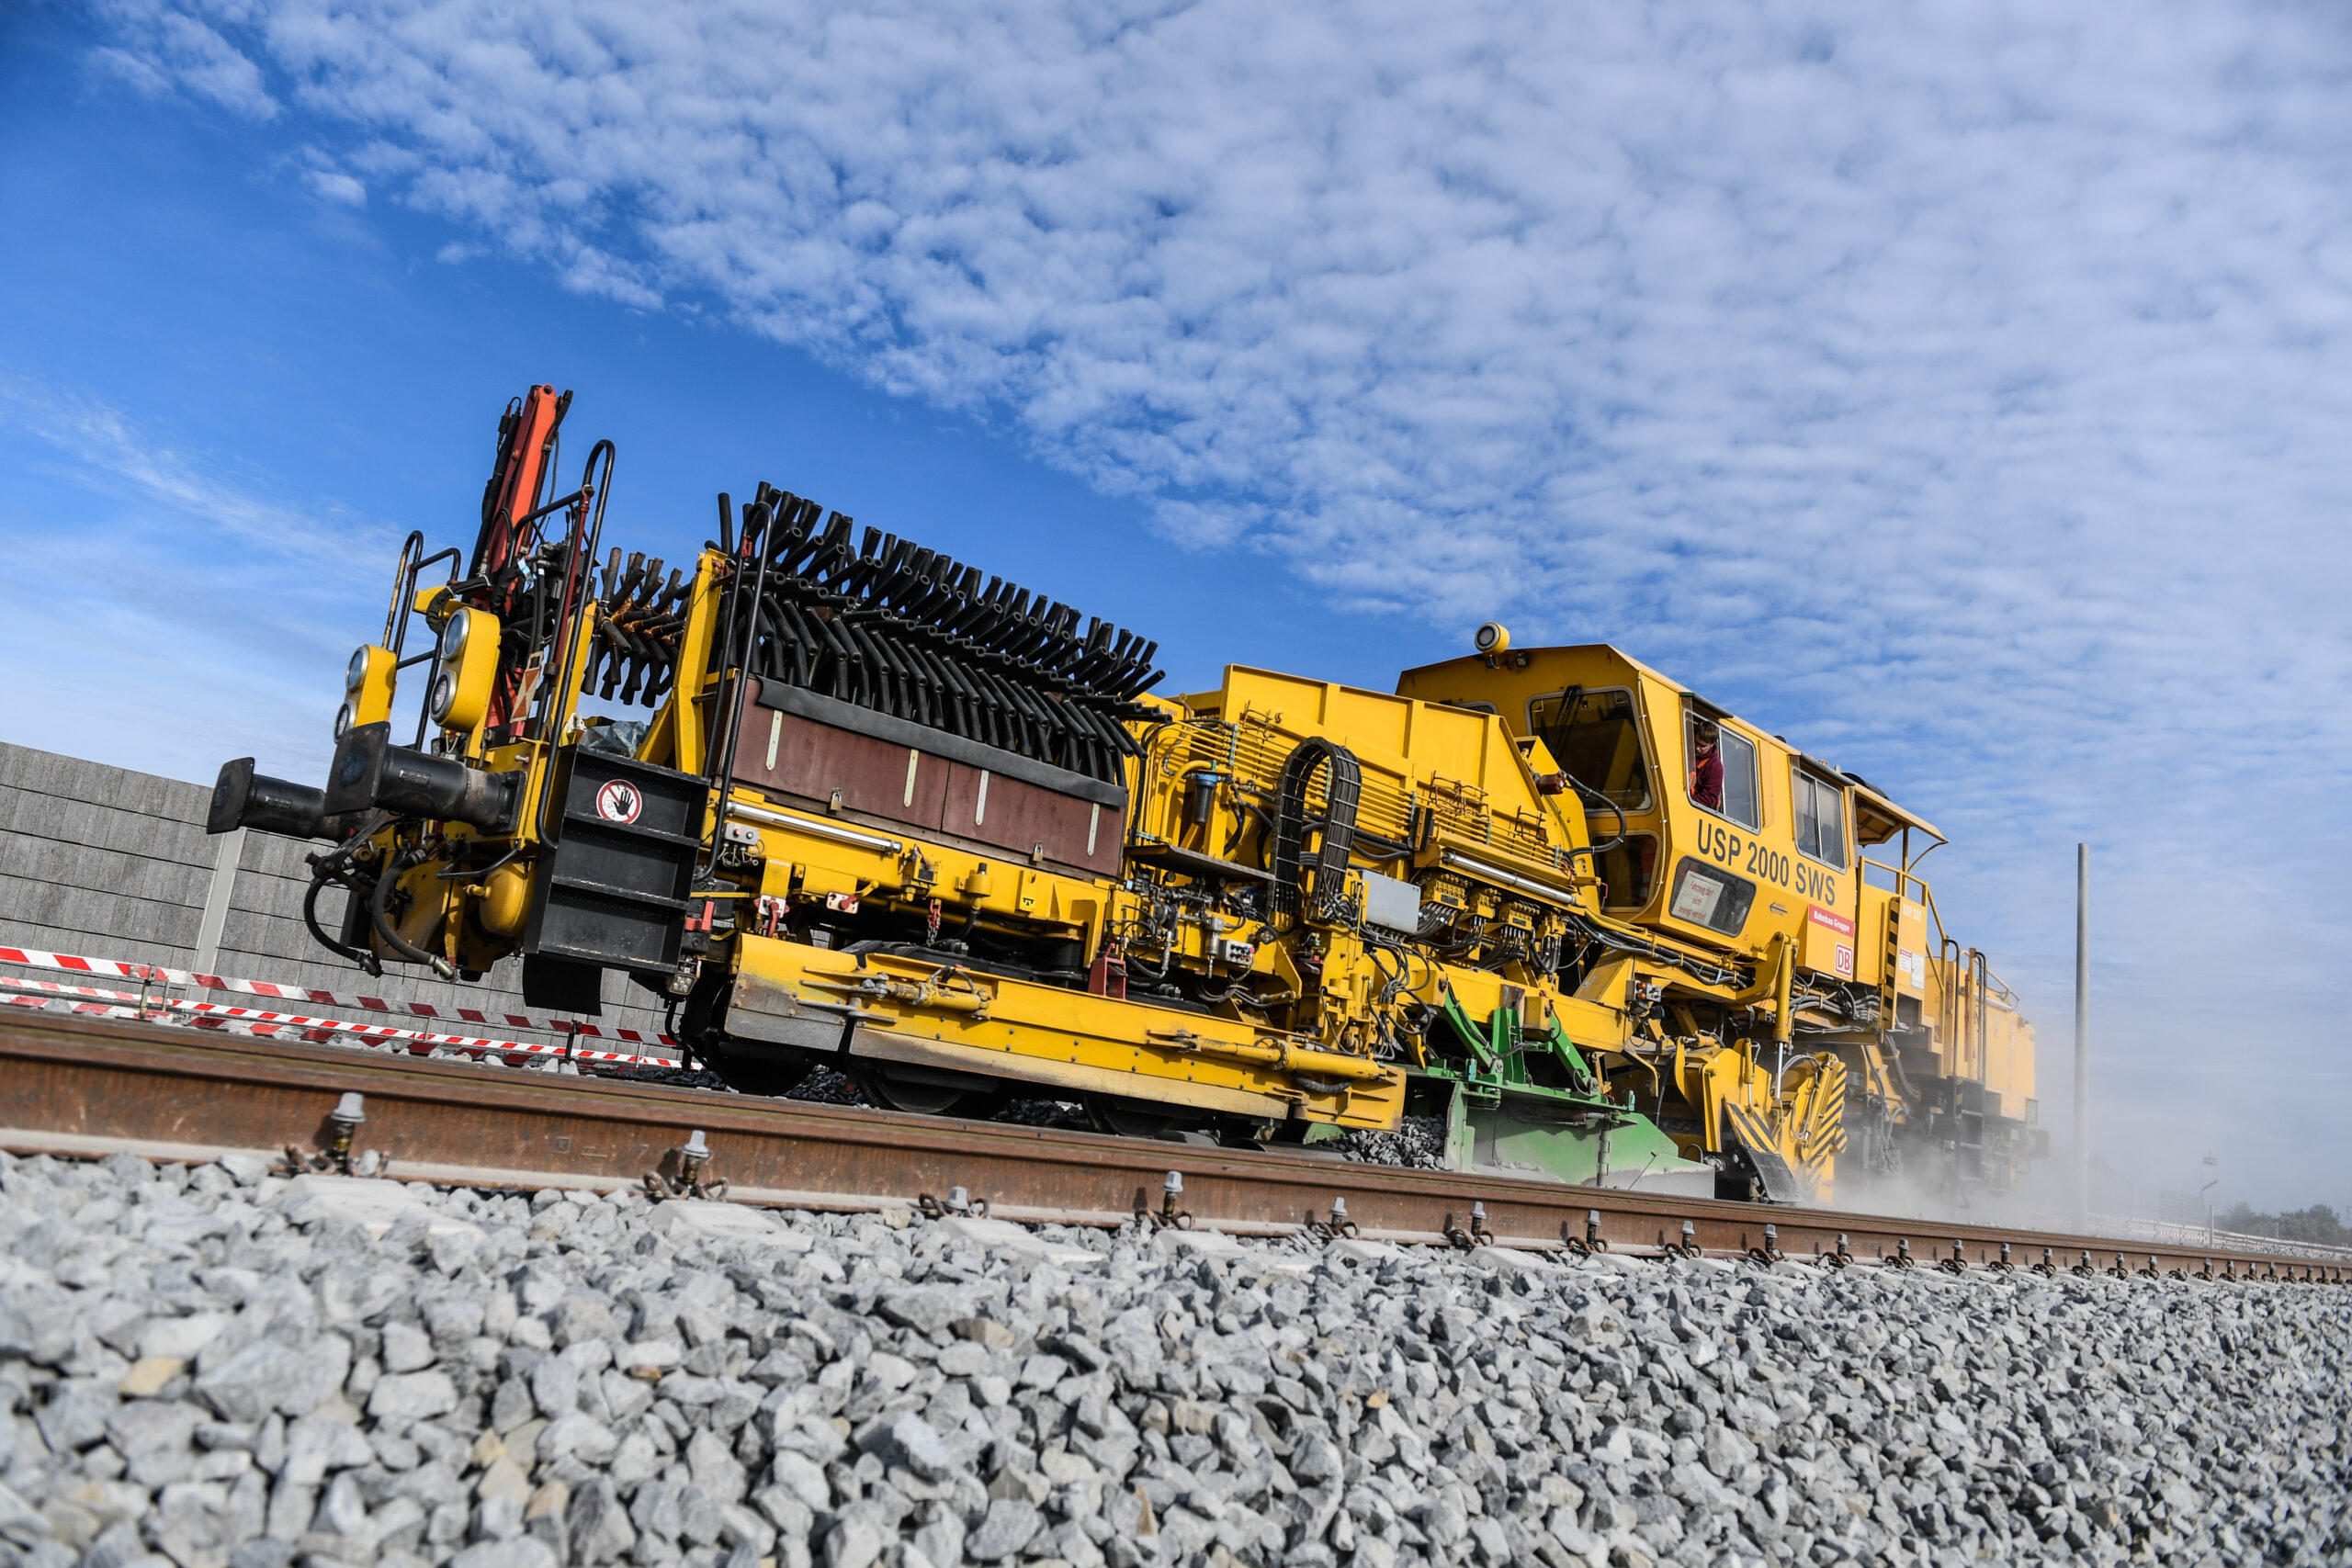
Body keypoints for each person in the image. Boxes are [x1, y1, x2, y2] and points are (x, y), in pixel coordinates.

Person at [1690, 719, 1724, 811]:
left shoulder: (1715, 766)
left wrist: (1686, 801)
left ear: (1712, 745)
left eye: (1702, 746)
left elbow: (1709, 798)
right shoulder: (1685, 747)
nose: (1697, 748)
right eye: (1696, 742)